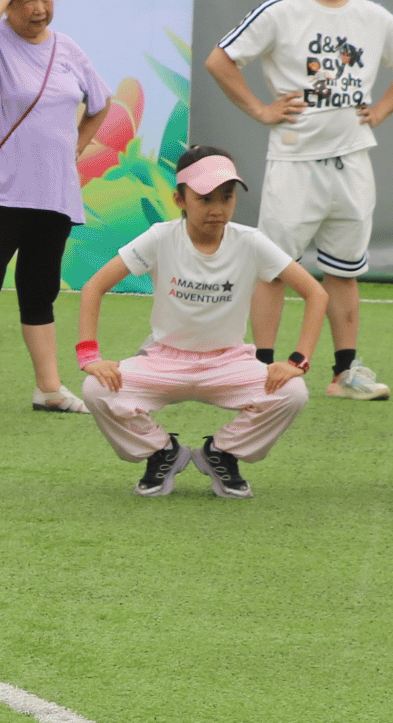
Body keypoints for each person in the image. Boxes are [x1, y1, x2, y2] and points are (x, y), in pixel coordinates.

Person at [204, 0, 393, 404]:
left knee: (345, 270)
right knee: (274, 267)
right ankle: (259, 366)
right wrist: (261, 109)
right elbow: (220, 60)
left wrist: (380, 110)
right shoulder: (281, 11)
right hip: (295, 160)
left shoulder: (374, 16)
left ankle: (346, 370)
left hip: (352, 161)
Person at [74, 149, 327, 499]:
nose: (217, 208)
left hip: (229, 361)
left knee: (292, 393)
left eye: (227, 197)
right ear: (180, 199)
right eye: (204, 198)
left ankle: (220, 453)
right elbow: (93, 287)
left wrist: (298, 360)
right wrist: (90, 355)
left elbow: (316, 293)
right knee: (96, 390)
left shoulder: (250, 241)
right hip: (163, 360)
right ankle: (163, 452)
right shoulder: (161, 237)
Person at [0, 0, 114, 419]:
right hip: (0, 190)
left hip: (54, 195)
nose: (39, 9)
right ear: (6, 2)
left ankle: (49, 388)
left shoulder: (68, 49)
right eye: (26, 0)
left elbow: (100, 103)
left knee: (39, 291)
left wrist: (75, 149)